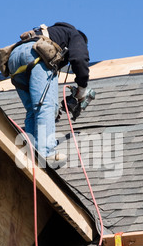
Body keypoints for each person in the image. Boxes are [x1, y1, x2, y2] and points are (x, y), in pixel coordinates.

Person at [8, 22, 90, 167]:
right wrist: (82, 88)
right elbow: (79, 58)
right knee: (44, 106)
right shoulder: (75, 35)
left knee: (33, 110)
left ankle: (31, 152)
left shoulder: (51, 32)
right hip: (36, 55)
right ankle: (46, 153)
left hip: (14, 58)